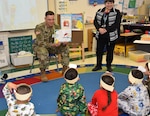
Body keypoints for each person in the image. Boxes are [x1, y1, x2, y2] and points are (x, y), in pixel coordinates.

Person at [33, 11, 69, 82]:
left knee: (66, 48)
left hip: (53, 47)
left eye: (53, 19)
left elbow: (59, 38)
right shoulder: (39, 27)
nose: (51, 21)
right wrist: (52, 44)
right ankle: (43, 72)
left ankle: (65, 69)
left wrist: (64, 42)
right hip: (41, 47)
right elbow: (40, 43)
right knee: (43, 51)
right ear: (45, 19)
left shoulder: (57, 27)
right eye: (49, 20)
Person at [92, 0, 121, 72]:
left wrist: (106, 30)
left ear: (113, 4)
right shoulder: (99, 11)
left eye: (111, 3)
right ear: (105, 4)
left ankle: (109, 66)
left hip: (111, 35)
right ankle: (98, 65)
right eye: (108, 3)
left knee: (110, 51)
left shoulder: (117, 12)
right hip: (100, 34)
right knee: (99, 51)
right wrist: (99, 28)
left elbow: (116, 24)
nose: (109, 5)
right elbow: (95, 21)